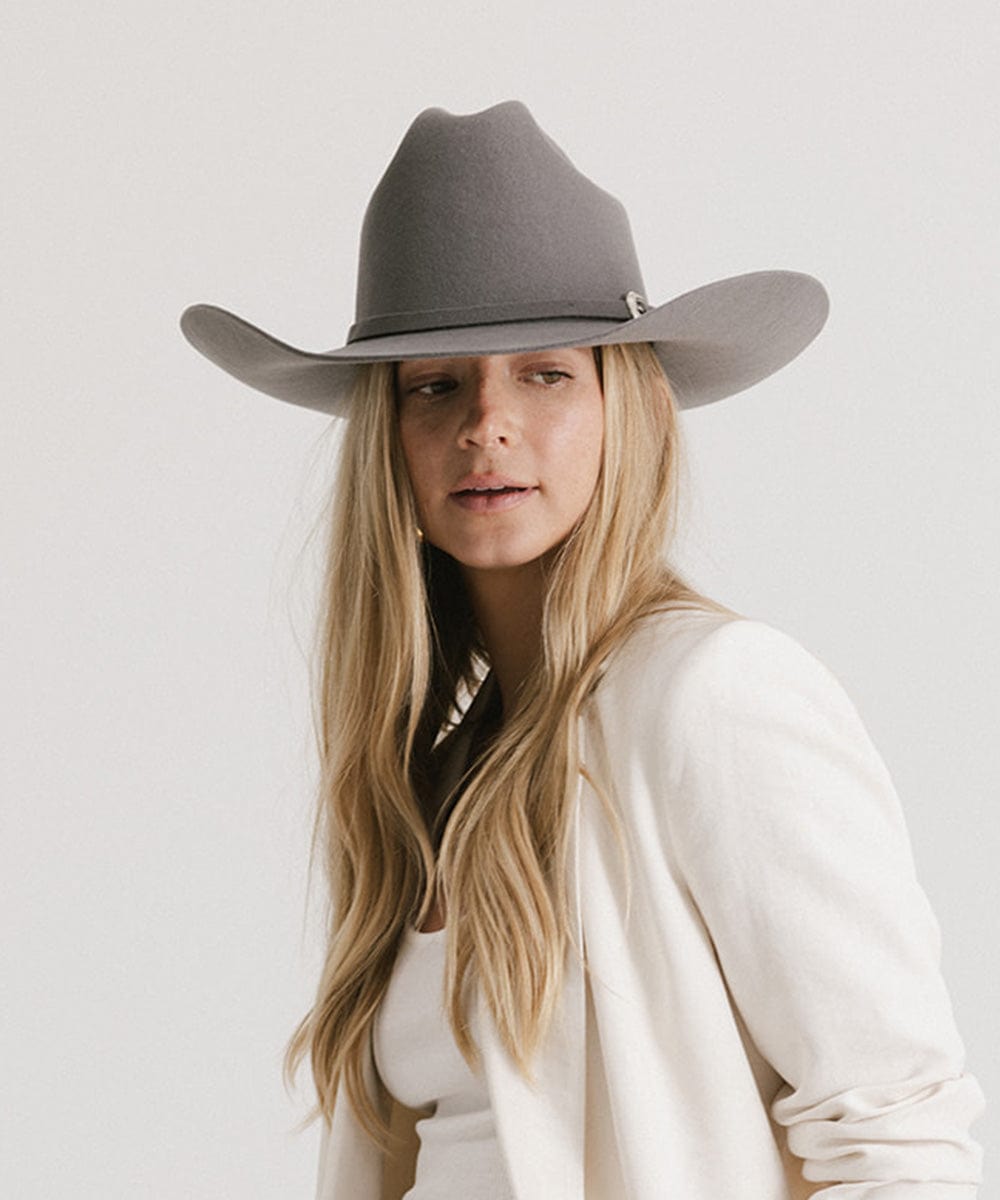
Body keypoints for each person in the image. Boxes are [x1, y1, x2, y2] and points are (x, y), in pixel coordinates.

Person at [180, 102, 984, 1199]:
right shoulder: (435, 774)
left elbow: (899, 1139)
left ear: (626, 406)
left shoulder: (712, 696)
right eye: (435, 385)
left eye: (546, 373)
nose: (486, 423)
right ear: (389, 440)